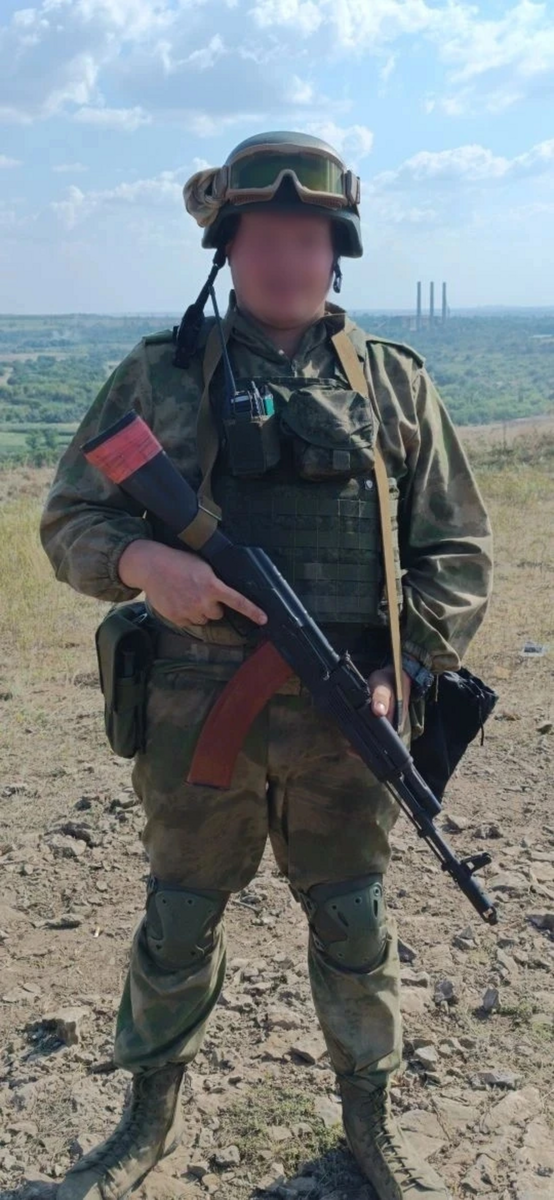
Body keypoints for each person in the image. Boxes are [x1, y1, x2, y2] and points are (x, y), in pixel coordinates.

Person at [40, 131, 492, 1200]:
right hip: (194, 713)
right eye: (263, 239)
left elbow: (456, 552)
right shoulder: (160, 375)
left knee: (353, 922)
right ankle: (145, 1122)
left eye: (307, 239)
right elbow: (70, 520)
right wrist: (144, 561)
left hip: (347, 717)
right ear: (227, 250)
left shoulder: (393, 384)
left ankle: (369, 1123)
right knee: (179, 916)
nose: (286, 261)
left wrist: (403, 671)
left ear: (337, 253)